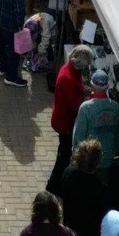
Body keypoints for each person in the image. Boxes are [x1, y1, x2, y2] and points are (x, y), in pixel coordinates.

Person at [72, 69, 119, 201]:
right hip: (107, 158)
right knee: (101, 190)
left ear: (92, 86)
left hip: (88, 159)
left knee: (86, 192)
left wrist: (75, 156)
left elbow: (78, 136)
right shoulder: (116, 107)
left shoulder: (86, 108)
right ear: (107, 86)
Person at [47, 47, 91, 193]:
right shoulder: (68, 78)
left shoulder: (69, 69)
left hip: (62, 117)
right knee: (64, 155)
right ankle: (54, 185)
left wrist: (83, 89)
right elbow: (75, 106)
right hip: (64, 122)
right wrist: (87, 98)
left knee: (63, 152)